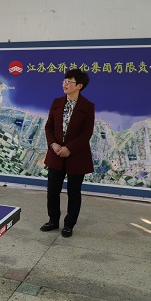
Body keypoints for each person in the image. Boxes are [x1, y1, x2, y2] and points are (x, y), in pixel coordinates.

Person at [41, 68, 95, 238]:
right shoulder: (57, 102)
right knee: (52, 191)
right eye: (64, 81)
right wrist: (53, 144)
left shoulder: (88, 106)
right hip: (56, 154)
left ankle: (69, 225)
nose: (65, 84)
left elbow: (87, 133)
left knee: (74, 192)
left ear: (79, 86)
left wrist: (69, 148)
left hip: (76, 155)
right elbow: (49, 127)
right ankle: (53, 221)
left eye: (69, 82)